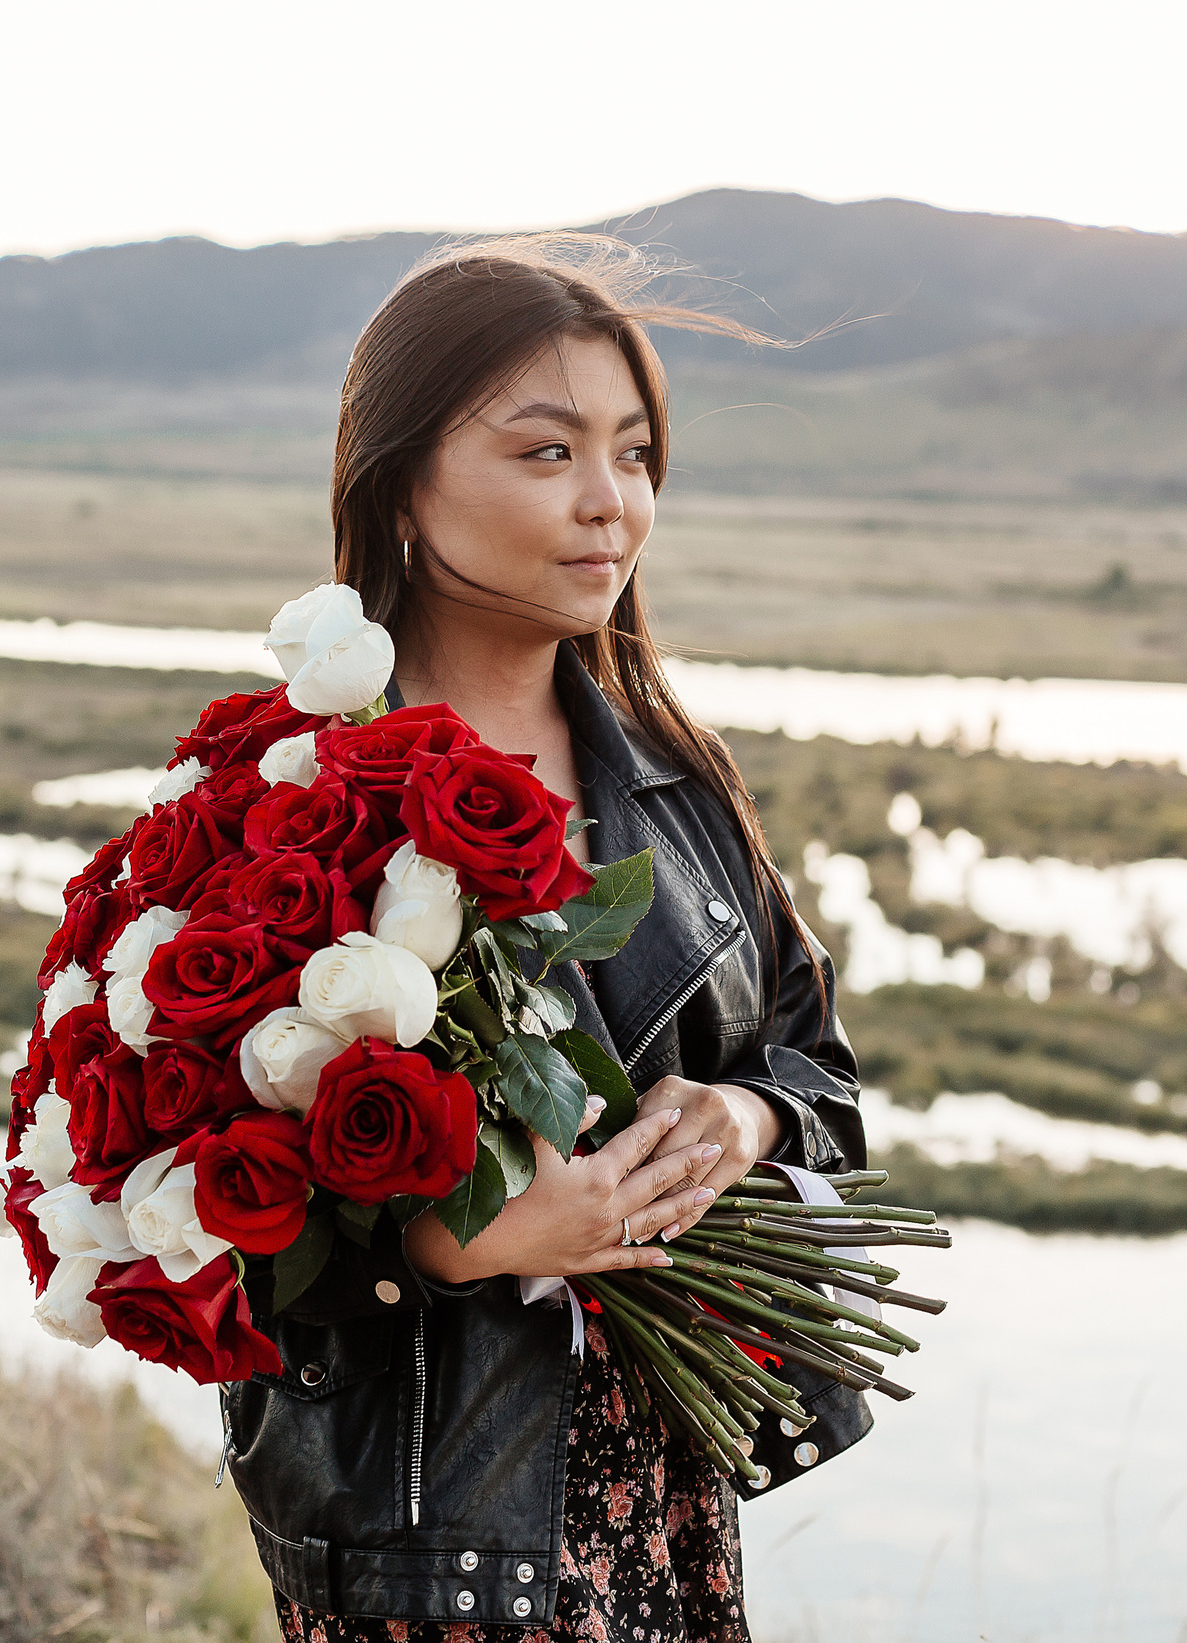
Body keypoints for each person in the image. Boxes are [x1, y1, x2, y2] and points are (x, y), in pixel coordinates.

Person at [220, 238, 869, 1642]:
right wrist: (447, 1247)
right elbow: (185, 1204)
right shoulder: (288, 801)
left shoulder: (677, 784)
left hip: (666, 1496)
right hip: (430, 1532)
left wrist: (742, 1124)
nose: (610, 505)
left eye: (635, 455)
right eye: (546, 453)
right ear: (401, 480)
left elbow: (821, 1072)